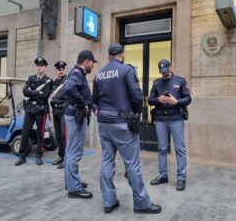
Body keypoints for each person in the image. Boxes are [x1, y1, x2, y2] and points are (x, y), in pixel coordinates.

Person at [93, 43, 162, 214]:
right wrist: (137, 114)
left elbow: (94, 100)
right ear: (122, 54)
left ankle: (108, 201)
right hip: (123, 123)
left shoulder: (99, 74)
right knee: (132, 164)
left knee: (107, 161)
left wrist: (100, 114)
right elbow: (136, 96)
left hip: (104, 123)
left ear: (109, 55)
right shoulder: (126, 70)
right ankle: (142, 203)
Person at [148, 59, 191, 191]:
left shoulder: (180, 81)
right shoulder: (156, 83)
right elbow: (150, 100)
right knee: (161, 148)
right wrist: (158, 100)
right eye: (162, 72)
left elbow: (188, 98)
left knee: (180, 149)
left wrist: (176, 101)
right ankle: (162, 175)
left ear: (171, 67)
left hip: (176, 118)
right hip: (161, 119)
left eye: (166, 71)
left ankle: (181, 177)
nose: (164, 74)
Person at [64, 50, 97, 199]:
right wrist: (83, 103)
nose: (92, 66)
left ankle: (71, 181)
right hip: (76, 116)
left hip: (74, 114)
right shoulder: (77, 74)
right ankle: (74, 188)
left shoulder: (77, 73)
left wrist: (91, 105)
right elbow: (69, 89)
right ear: (87, 62)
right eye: (92, 63)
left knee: (71, 151)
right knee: (75, 152)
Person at [15, 57, 53, 166]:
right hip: (30, 109)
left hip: (41, 110)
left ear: (45, 67)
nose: (39, 67)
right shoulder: (31, 78)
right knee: (25, 133)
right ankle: (22, 156)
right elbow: (25, 92)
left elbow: (45, 95)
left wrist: (32, 92)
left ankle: (39, 155)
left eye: (41, 66)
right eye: (38, 65)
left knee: (40, 134)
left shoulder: (48, 81)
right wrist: (38, 93)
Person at [51, 61, 68, 169]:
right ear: (56, 71)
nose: (61, 71)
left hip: (64, 110)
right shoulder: (55, 82)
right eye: (59, 70)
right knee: (57, 135)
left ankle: (66, 158)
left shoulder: (68, 81)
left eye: (63, 69)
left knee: (64, 135)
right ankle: (60, 155)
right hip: (55, 111)